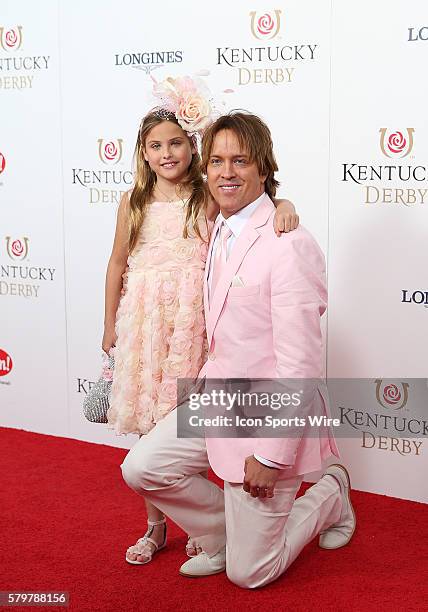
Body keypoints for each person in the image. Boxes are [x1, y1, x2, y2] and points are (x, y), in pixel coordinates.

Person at [120, 111, 356, 588]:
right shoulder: (215, 226)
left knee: (250, 574)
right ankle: (225, 534)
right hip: (221, 399)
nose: (227, 172)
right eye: (217, 161)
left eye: (241, 161)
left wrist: (270, 457)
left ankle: (330, 493)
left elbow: (300, 366)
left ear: (264, 168)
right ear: (204, 170)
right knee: (143, 468)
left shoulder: (289, 244)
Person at [102, 77, 300, 565]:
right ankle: (154, 526)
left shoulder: (205, 195)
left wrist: (285, 205)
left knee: (194, 426)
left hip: (191, 326)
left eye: (175, 143)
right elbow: (116, 263)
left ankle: (202, 523)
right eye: (155, 146)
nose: (166, 153)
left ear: (192, 148)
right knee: (147, 431)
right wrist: (109, 326)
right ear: (143, 154)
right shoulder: (133, 202)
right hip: (145, 325)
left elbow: (250, 208)